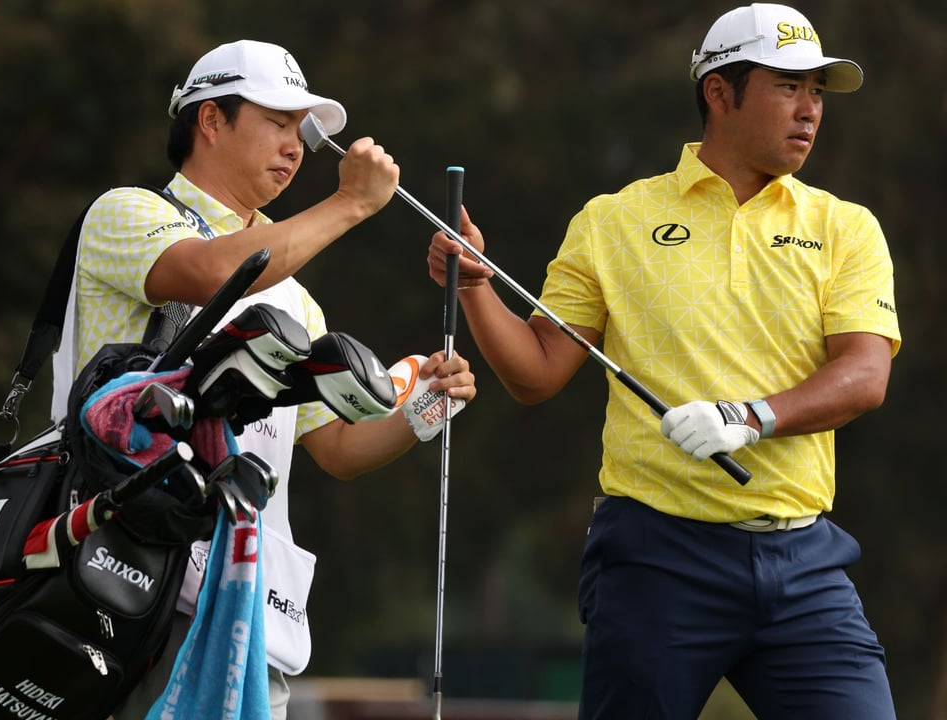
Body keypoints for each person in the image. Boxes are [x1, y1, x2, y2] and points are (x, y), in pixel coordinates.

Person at [427, 4, 899, 718]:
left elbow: (865, 376)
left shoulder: (844, 227)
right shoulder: (614, 221)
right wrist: (476, 288)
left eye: (817, 93)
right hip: (657, 559)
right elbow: (539, 371)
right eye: (787, 87)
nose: (809, 111)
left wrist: (750, 418)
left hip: (803, 562)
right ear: (719, 91)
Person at [58, 39, 477, 719]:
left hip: (243, 607)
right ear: (210, 120)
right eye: (277, 122)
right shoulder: (127, 212)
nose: (294, 146)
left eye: (299, 132)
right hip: (124, 582)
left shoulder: (295, 297)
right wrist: (350, 205)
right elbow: (206, 271)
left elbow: (338, 449)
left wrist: (428, 408)